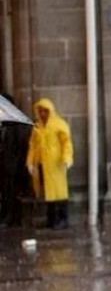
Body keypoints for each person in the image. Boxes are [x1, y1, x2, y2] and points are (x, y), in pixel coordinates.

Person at [25, 98, 73, 229]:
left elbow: (66, 143)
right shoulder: (37, 127)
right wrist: (30, 162)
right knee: (48, 193)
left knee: (60, 192)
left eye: (45, 111)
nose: (42, 114)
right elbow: (33, 146)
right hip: (43, 164)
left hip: (57, 164)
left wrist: (66, 158)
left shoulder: (60, 125)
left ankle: (63, 219)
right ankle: (51, 219)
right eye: (40, 111)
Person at [0, 93, 32, 227]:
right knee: (5, 193)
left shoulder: (18, 125)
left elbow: (23, 146)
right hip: (4, 166)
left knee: (12, 194)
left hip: (14, 168)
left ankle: (11, 219)